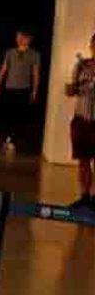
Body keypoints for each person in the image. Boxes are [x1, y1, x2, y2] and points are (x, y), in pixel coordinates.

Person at [0, 28, 42, 149]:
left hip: (23, 89)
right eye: (17, 37)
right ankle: (9, 138)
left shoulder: (34, 55)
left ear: (29, 39)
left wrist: (35, 90)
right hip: (10, 88)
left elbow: (36, 74)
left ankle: (15, 140)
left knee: (20, 117)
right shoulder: (10, 52)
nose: (19, 39)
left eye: (22, 37)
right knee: (8, 115)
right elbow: (3, 70)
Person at [65, 32, 95, 208]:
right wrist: (75, 87)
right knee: (83, 160)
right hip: (81, 119)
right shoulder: (81, 66)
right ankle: (85, 196)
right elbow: (70, 91)